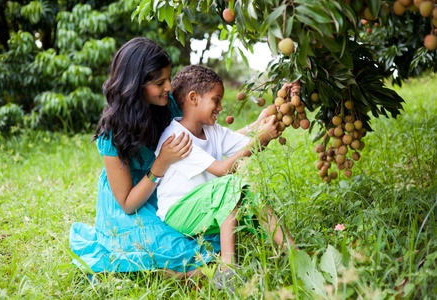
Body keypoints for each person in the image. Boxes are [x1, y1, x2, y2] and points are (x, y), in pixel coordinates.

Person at [69, 37, 269, 277]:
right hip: (135, 200)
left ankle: (199, 272)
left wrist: (257, 127)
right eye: (159, 82)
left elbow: (208, 142)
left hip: (169, 191)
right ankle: (189, 276)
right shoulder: (113, 135)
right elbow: (128, 204)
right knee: (168, 249)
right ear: (135, 85)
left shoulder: (169, 105)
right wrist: (161, 163)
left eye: (168, 78)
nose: (169, 87)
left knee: (214, 233)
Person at [154, 65, 295, 289]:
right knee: (229, 183)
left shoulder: (212, 131)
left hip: (207, 206)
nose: (220, 107)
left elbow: (249, 138)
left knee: (251, 192)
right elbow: (223, 170)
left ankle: (294, 253)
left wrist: (275, 112)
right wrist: (260, 137)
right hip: (179, 212)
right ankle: (228, 269)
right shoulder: (176, 137)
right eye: (216, 100)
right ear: (193, 98)